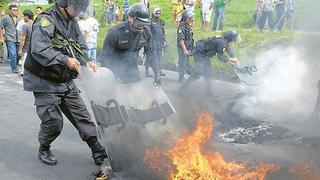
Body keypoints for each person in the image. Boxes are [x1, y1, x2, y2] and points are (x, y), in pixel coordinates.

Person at [23, 0, 111, 170]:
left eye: (82, 9)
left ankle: (96, 149)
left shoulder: (72, 21)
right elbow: (39, 50)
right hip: (44, 81)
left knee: (82, 116)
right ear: (64, 3)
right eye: (77, 8)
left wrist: (87, 61)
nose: (79, 12)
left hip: (64, 79)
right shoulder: (46, 20)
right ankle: (44, 148)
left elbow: (81, 46)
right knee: (54, 122)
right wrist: (65, 60)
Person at [99, 3, 161, 85]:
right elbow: (105, 57)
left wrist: (157, 73)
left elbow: (151, 53)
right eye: (139, 23)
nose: (142, 26)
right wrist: (111, 77)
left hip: (131, 68)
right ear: (130, 18)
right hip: (114, 68)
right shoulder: (115, 32)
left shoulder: (146, 33)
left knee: (136, 91)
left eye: (144, 23)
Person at [178, 30, 240, 96]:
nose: (234, 41)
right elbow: (220, 57)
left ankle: (208, 92)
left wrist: (234, 58)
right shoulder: (221, 42)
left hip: (204, 55)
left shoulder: (223, 40)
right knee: (197, 73)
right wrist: (231, 59)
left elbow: (228, 50)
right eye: (233, 40)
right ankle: (182, 90)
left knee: (208, 72)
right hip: (199, 54)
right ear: (230, 38)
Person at [145, 7, 167, 77]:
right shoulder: (150, 22)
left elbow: (163, 33)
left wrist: (165, 41)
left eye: (159, 13)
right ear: (154, 13)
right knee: (149, 56)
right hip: (152, 42)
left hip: (160, 42)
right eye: (157, 13)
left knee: (159, 56)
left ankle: (159, 70)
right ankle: (146, 70)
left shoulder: (161, 22)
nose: (158, 14)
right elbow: (147, 32)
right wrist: (148, 42)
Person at [0, 4, 21, 73]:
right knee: (13, 54)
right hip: (10, 38)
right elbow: (1, 27)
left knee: (18, 54)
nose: (15, 11)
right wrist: (2, 38)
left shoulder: (19, 19)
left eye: (16, 10)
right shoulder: (5, 18)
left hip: (18, 39)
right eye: (14, 10)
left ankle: (15, 64)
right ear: (10, 10)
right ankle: (14, 68)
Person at [177, 10, 194, 83]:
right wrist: (184, 50)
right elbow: (181, 39)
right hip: (183, 47)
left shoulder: (188, 25)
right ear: (185, 18)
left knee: (186, 61)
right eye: (189, 18)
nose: (192, 19)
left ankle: (184, 71)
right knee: (182, 62)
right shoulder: (182, 27)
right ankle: (181, 77)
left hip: (188, 47)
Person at [18, 9, 33, 76]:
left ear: (27, 16)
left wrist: (20, 49)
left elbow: (23, 38)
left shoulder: (25, 26)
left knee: (24, 60)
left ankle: (23, 72)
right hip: (34, 47)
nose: (23, 18)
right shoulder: (35, 24)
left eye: (24, 16)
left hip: (26, 47)